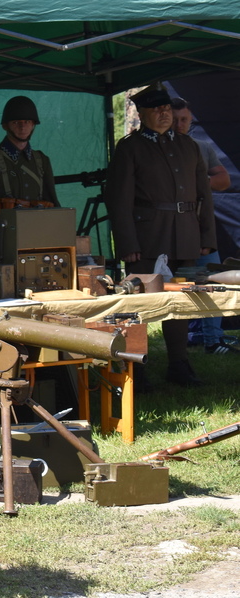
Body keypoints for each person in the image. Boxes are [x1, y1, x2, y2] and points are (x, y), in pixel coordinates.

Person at [106, 82, 216, 387]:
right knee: (138, 305)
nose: (164, 114)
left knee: (181, 304)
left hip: (185, 236)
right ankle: (136, 368)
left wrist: (207, 238)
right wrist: (127, 244)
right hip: (147, 238)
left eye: (166, 108)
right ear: (141, 114)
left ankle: (179, 364)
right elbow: (119, 200)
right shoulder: (130, 148)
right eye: (156, 109)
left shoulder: (187, 145)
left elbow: (203, 194)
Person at [171, 96, 237, 355]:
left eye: (184, 119)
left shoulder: (201, 147)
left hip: (197, 229)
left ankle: (212, 339)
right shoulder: (155, 150)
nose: (179, 125)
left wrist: (195, 185)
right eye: (175, 120)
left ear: (191, 120)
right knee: (173, 286)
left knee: (212, 282)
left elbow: (223, 180)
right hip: (165, 231)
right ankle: (187, 339)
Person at [0, 95, 59, 263]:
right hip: (0, 246)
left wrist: (59, 246)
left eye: (27, 121)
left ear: (34, 124)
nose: (23, 126)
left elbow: (53, 205)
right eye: (16, 122)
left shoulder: (42, 161)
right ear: (5, 125)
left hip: (37, 243)